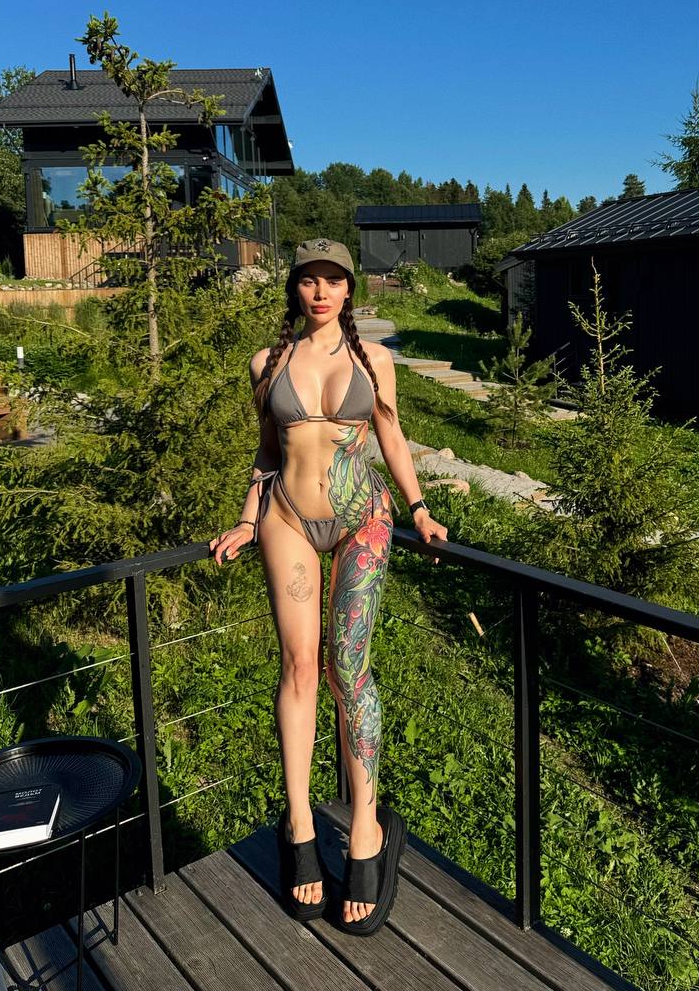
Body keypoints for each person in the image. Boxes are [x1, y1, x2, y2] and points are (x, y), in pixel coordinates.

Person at [209, 239, 448, 935]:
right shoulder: (267, 363)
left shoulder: (374, 360)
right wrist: (247, 519)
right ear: (295, 289)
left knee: (350, 667)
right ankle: (301, 825)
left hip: (361, 518)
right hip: (286, 517)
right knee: (298, 667)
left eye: (332, 281)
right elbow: (266, 451)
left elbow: (392, 436)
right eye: (309, 280)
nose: (320, 292)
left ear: (349, 290)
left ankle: (367, 825)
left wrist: (420, 509)